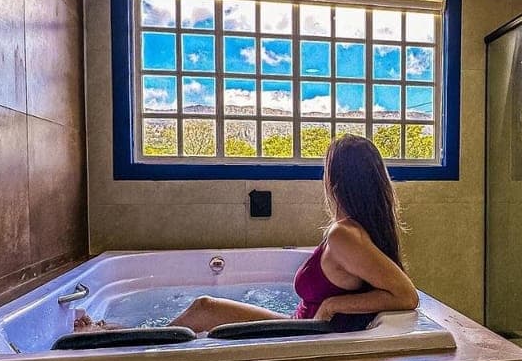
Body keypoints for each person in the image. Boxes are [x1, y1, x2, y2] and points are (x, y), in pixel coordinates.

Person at [73, 134, 419, 335]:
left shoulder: (346, 235)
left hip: (304, 337)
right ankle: (130, 336)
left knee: (204, 308)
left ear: (337, 181)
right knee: (205, 312)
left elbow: (406, 294)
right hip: (301, 328)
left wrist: (333, 305)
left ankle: (132, 343)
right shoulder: (354, 231)